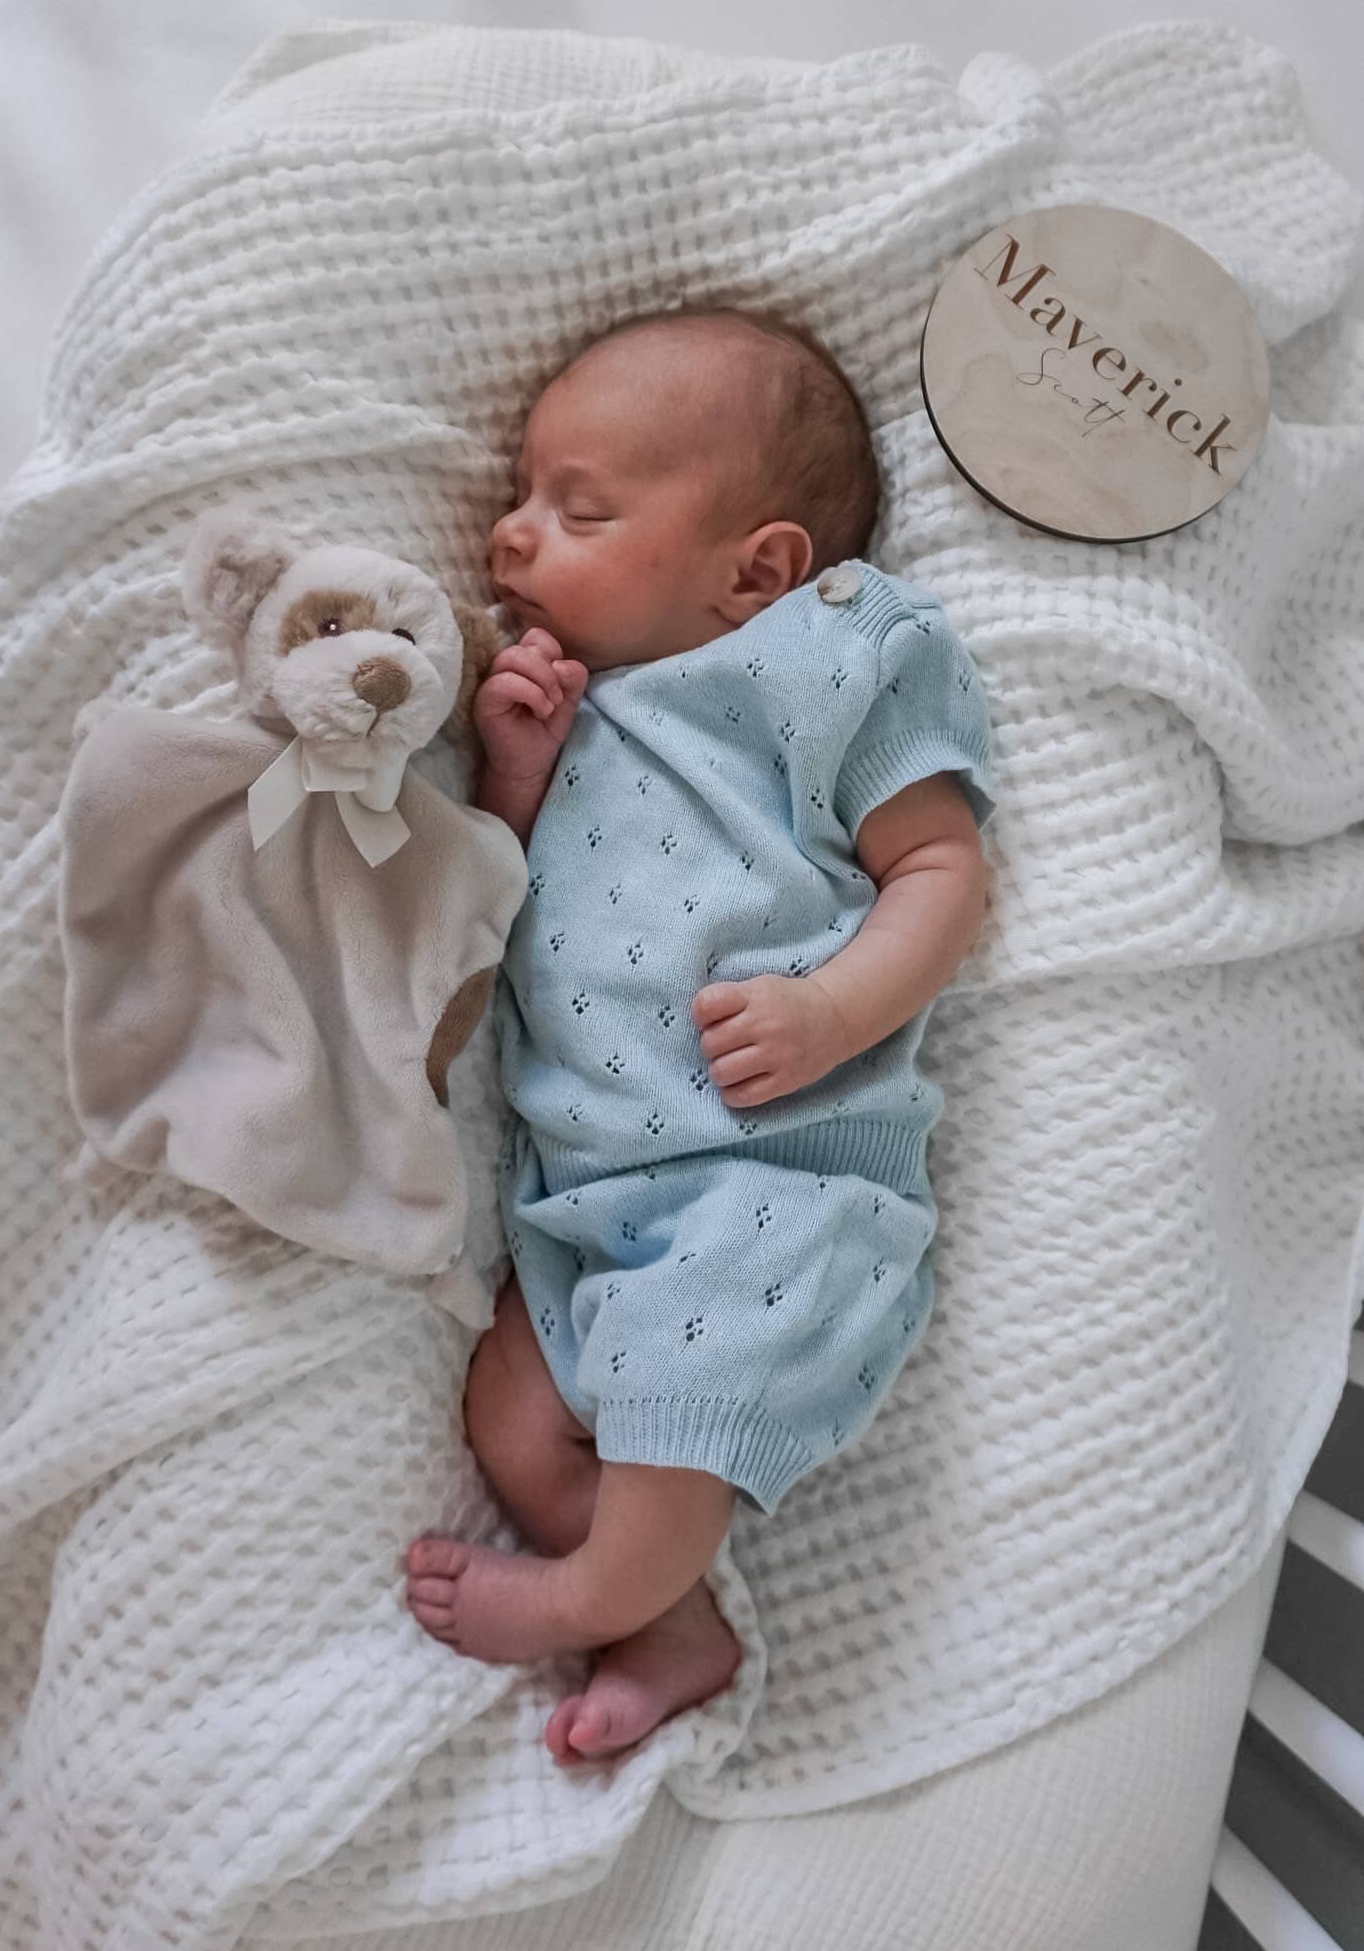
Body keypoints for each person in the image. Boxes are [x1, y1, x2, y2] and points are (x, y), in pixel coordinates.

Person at [401, 305, 996, 1766]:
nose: (511, 534)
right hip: (584, 1195)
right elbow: (505, 893)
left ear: (758, 572)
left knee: (678, 1393)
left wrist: (833, 1007)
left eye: (579, 509)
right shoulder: (569, 702)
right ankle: (670, 1622)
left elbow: (941, 870)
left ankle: (591, 1594)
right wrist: (517, 771)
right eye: (523, 497)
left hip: (774, 1183)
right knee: (512, 1414)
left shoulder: (830, 657)